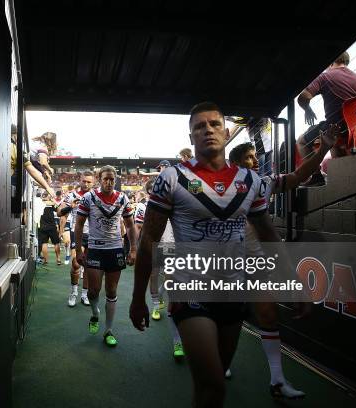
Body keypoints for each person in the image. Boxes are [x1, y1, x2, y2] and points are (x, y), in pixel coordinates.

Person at [130, 102, 289, 407]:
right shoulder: (171, 179)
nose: (208, 130)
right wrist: (138, 297)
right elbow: (149, 238)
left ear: (227, 132)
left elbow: (267, 233)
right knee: (213, 385)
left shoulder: (250, 181)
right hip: (191, 289)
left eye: (214, 124)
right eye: (200, 126)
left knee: (215, 382)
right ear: (191, 137)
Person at [227, 124, 338, 399]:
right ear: (235, 163)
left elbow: (299, 175)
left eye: (255, 156)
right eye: (250, 157)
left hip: (255, 261)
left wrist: (324, 148)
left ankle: (277, 381)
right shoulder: (219, 187)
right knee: (225, 322)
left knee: (267, 316)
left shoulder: (263, 183)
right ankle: (221, 365)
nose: (256, 161)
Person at [76, 165, 137, 347]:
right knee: (94, 290)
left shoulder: (123, 198)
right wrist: (78, 250)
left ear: (115, 179)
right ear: (99, 179)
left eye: (112, 179)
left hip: (115, 249)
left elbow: (131, 225)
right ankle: (95, 315)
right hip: (94, 248)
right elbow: (79, 224)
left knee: (111, 291)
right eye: (105, 179)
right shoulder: (89, 198)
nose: (109, 182)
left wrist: (133, 249)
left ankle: (108, 330)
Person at [296, 52, 356, 186]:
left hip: (336, 126)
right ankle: (343, 179)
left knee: (301, 141)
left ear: (330, 62)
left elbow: (303, 98)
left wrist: (307, 109)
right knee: (333, 141)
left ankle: (316, 176)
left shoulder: (326, 76)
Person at [135, 182, 184, 359]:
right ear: (149, 191)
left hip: (173, 246)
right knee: (154, 276)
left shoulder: (176, 202)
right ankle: (156, 304)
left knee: (171, 283)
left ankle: (177, 339)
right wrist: (137, 247)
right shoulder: (144, 206)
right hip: (155, 244)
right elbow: (139, 227)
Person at [58, 173, 94, 307]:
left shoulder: (96, 195)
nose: (86, 184)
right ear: (80, 180)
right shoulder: (72, 195)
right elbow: (59, 212)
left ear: (93, 182)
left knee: (89, 266)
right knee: (76, 263)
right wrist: (70, 207)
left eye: (89, 182)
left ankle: (85, 294)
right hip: (76, 232)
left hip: (93, 234)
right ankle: (73, 292)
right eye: (84, 181)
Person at [37, 192, 62, 266]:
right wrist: (53, 201)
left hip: (42, 226)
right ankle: (58, 259)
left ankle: (45, 260)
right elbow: (58, 211)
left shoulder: (40, 203)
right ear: (48, 196)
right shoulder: (52, 204)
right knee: (56, 243)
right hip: (51, 226)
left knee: (44, 243)